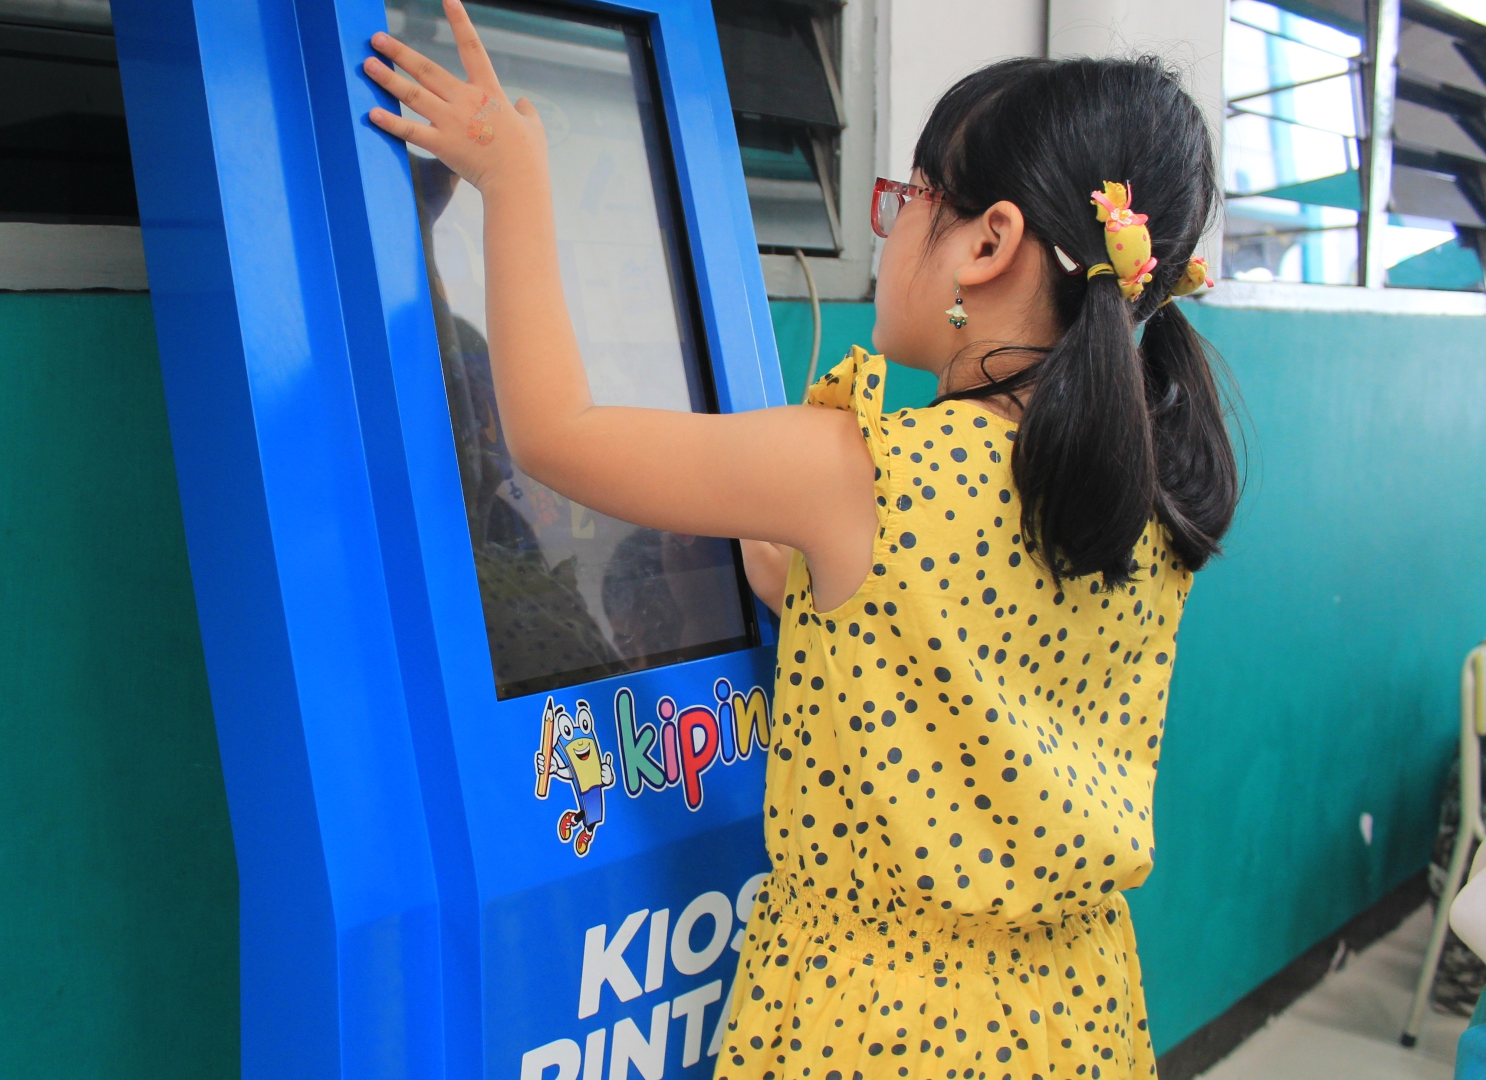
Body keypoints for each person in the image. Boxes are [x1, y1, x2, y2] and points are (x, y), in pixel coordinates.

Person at [363, 4, 1237, 1075]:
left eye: (911, 199)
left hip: (877, 1026)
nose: (889, 229)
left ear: (989, 242)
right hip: (1070, 1013)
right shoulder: (1153, 495)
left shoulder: (861, 473)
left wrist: (513, 181)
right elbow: (887, 631)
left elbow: (555, 433)